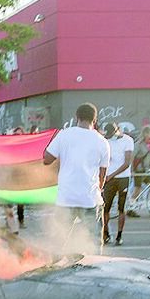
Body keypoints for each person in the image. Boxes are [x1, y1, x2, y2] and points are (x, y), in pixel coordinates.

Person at [43, 103, 110, 243]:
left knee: (60, 240)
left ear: (76, 117)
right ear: (95, 120)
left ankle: (58, 262)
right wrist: (99, 188)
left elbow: (46, 159)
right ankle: (93, 262)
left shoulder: (64, 135)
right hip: (90, 198)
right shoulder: (102, 142)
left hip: (66, 197)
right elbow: (102, 173)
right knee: (93, 241)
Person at [101, 122, 134, 245]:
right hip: (108, 178)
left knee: (121, 208)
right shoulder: (105, 141)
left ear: (118, 130)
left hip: (122, 178)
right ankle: (106, 233)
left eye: (112, 134)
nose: (110, 137)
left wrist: (111, 175)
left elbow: (126, 163)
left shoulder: (127, 140)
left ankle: (119, 236)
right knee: (105, 208)